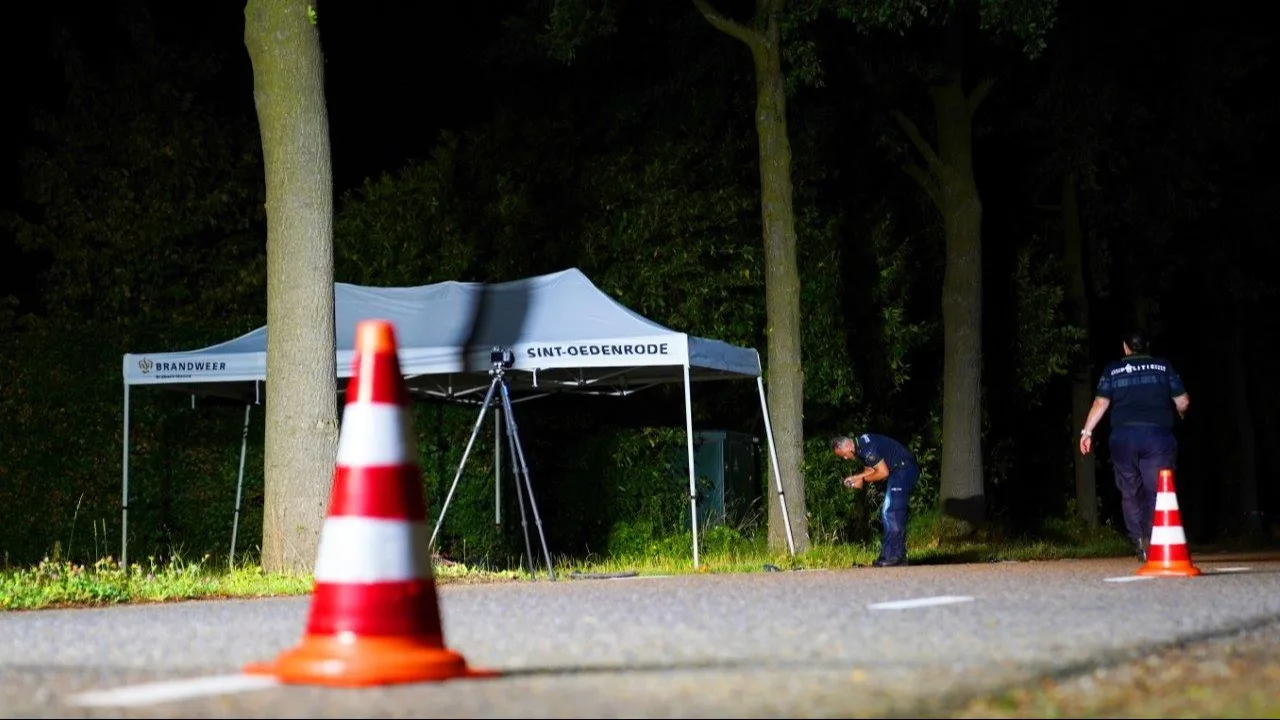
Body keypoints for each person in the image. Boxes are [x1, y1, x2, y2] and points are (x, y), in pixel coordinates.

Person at [1079, 330, 1190, 562]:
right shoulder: (1162, 366)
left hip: (1123, 438)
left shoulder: (1113, 370)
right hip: (1157, 436)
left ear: (1125, 347)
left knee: (1130, 490)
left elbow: (1101, 402)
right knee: (1157, 490)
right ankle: (1155, 539)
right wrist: (1180, 414)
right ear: (1146, 346)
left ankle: (1139, 541)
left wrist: (1087, 431)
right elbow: (1183, 400)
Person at [831, 433, 921, 567]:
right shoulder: (860, 448)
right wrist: (857, 477)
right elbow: (871, 469)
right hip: (899, 471)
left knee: (890, 511)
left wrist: (861, 479)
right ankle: (897, 557)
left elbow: (883, 472)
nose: (845, 458)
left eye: (843, 454)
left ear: (849, 445)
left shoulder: (867, 448)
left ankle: (892, 557)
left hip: (904, 469)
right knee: (890, 511)